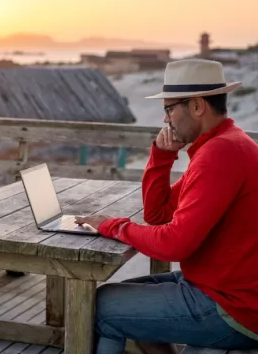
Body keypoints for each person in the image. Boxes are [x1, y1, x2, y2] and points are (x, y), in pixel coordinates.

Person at [75, 59, 258, 354]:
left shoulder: (219, 154)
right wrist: (161, 156)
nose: (165, 120)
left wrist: (112, 226)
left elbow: (175, 244)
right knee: (111, 299)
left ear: (197, 106)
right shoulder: (224, 145)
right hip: (217, 287)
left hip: (233, 306)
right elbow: (158, 215)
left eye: (169, 109)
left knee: (102, 308)